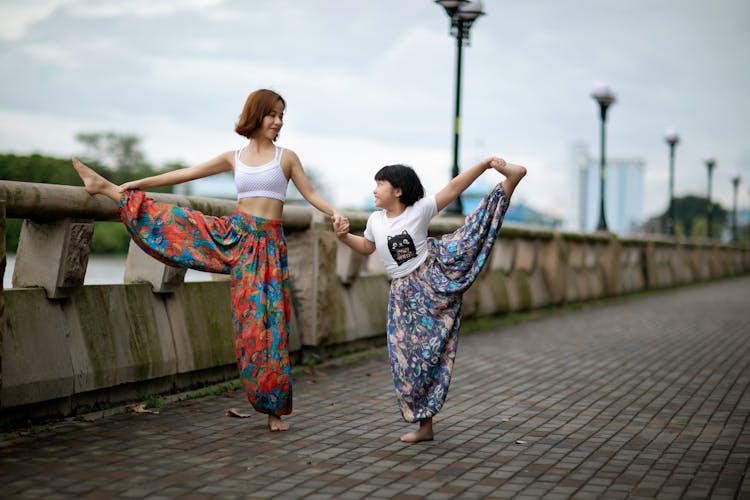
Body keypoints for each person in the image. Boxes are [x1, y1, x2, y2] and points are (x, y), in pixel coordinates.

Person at [72, 88, 347, 432]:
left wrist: (335, 212)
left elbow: (311, 195)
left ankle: (273, 410)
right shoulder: (234, 157)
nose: (278, 122)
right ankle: (107, 188)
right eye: (272, 114)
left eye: (281, 116)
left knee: (266, 327)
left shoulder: (286, 157)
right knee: (181, 224)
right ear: (256, 115)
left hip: (267, 248)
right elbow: (186, 174)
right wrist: (136, 183)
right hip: (236, 235)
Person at [333, 157, 526, 443]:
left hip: (431, 280)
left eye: (380, 185)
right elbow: (367, 246)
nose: (374, 190)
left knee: (472, 233)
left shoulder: (419, 210)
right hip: (401, 295)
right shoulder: (375, 220)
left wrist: (485, 165)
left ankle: (510, 182)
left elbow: (455, 187)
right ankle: (424, 424)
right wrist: (344, 236)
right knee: (408, 359)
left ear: (397, 191)